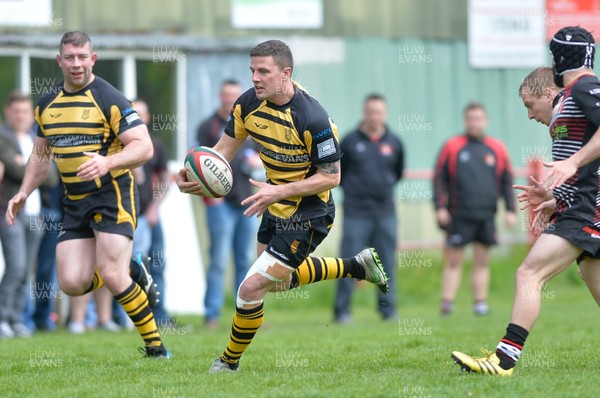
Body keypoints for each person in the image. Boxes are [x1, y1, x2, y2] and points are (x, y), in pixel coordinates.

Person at [177, 39, 389, 373]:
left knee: (250, 287)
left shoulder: (313, 117)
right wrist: (194, 176)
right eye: (252, 71)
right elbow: (220, 153)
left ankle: (228, 362)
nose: (255, 78)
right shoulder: (247, 105)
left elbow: (331, 177)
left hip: (309, 212)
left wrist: (278, 192)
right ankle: (355, 266)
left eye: (264, 71)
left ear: (285, 73)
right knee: (276, 282)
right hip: (273, 202)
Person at [5, 31, 169, 357]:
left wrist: (108, 162)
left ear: (92, 59)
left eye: (83, 57)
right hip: (75, 202)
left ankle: (155, 346)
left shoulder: (110, 98)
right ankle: (133, 268)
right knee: (71, 283)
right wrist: (24, 191)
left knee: (110, 272)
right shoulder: (47, 104)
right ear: (60, 60)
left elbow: (144, 147)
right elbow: (40, 157)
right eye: (70, 57)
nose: (76, 64)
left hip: (113, 195)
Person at [452, 27, 600, 376]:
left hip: (587, 207)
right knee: (591, 275)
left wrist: (572, 165)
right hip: (580, 203)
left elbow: (579, 164)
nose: (529, 114)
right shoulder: (568, 103)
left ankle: (504, 360)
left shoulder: (582, 87)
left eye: (529, 105)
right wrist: (553, 197)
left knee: (528, 272)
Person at [433, 101, 516, 316]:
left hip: (486, 215)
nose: (474, 123)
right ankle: (447, 304)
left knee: (482, 260)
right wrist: (440, 207)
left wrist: (510, 210)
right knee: (454, 261)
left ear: (485, 121)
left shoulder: (497, 148)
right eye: (470, 119)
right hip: (459, 214)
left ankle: (480, 303)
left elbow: (507, 181)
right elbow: (439, 179)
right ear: (465, 121)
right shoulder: (452, 146)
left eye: (478, 119)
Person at [196, 80, 263, 328]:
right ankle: (212, 315)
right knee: (219, 259)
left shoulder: (252, 124)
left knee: (245, 259)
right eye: (226, 96)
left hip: (246, 202)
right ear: (220, 97)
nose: (230, 100)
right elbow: (197, 164)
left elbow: (259, 157)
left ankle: (245, 315)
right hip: (219, 204)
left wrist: (259, 163)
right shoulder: (207, 126)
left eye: (234, 96)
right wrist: (208, 199)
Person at [333, 93, 404, 323]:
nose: (374, 116)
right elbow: (338, 174)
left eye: (379, 112)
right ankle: (342, 312)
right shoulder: (351, 141)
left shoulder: (394, 142)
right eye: (371, 112)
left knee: (386, 264)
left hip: (385, 213)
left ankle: (387, 310)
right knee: (349, 263)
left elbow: (398, 174)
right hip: (356, 212)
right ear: (365, 113)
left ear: (385, 114)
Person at [0, 91, 59, 339]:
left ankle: (17, 319)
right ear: (7, 113)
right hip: (11, 211)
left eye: (25, 111)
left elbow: (53, 178)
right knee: (15, 266)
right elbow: (12, 169)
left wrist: (25, 165)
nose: (21, 116)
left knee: (26, 271)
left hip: (36, 215)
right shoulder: (2, 137)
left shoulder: (37, 138)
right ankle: (3, 318)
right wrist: (32, 168)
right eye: (17, 111)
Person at [131, 99, 171, 325]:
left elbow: (165, 179)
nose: (138, 117)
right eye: (133, 113)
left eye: (141, 114)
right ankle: (130, 316)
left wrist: (155, 208)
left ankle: (160, 314)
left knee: (157, 264)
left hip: (150, 216)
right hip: (127, 217)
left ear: (147, 118)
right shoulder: (120, 146)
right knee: (134, 267)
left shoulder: (156, 145)